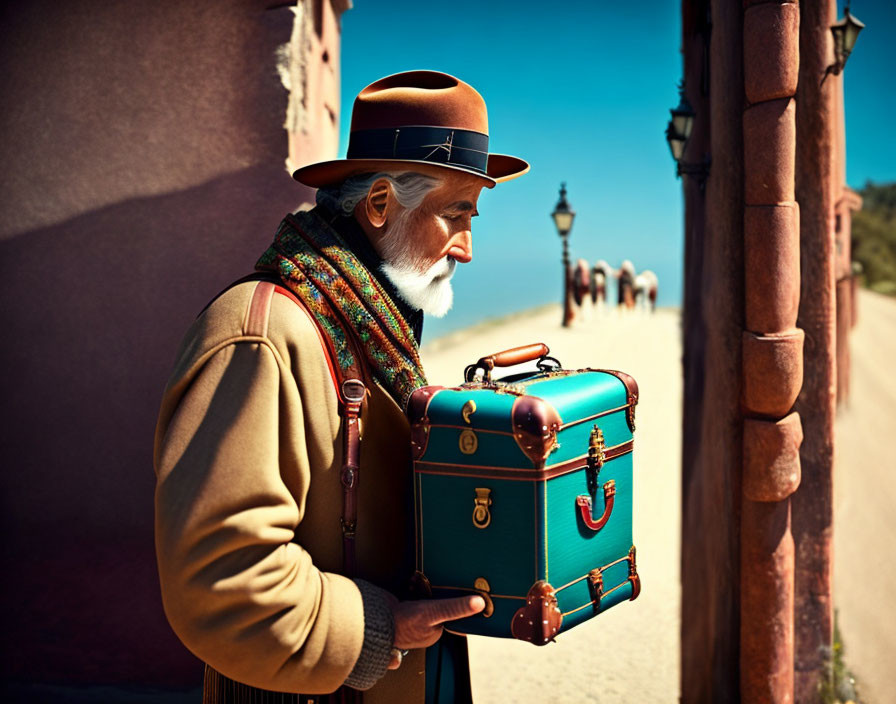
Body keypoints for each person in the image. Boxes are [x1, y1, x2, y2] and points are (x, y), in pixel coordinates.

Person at [153, 70, 528, 703]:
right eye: (455, 214)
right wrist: (378, 629)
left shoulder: (368, 320)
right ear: (379, 204)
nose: (467, 248)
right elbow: (218, 579)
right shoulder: (263, 335)